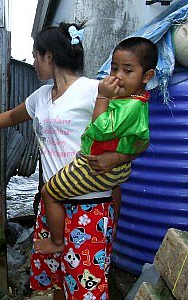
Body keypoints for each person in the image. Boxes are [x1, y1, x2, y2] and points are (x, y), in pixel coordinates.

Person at [0, 23, 136, 299]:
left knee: (85, 288)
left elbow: (134, 134)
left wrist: (117, 158)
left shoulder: (94, 91)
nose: (33, 63)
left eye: (35, 56)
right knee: (54, 280)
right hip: (52, 205)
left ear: (50, 56)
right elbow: (9, 117)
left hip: (89, 208)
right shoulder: (42, 97)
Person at [34, 37, 158, 255]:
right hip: (105, 166)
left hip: (93, 168)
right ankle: (107, 232)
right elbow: (142, 139)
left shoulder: (122, 101)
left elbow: (99, 129)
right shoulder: (131, 99)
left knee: (48, 192)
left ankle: (56, 242)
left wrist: (102, 97)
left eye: (127, 71)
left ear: (147, 76)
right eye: (114, 68)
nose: (117, 76)